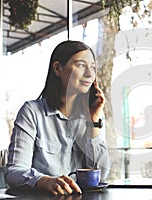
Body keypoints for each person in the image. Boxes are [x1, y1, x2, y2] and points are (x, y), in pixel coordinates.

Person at [6, 40, 110, 195]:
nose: (89, 73)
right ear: (57, 68)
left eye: (93, 67)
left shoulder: (93, 115)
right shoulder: (32, 112)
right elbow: (14, 172)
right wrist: (45, 181)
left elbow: (101, 174)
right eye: (81, 65)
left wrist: (93, 123)